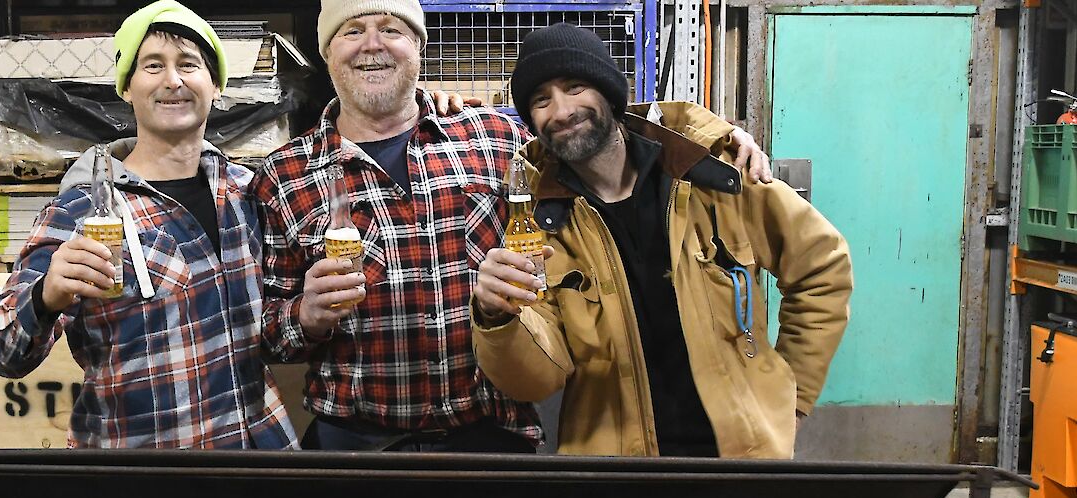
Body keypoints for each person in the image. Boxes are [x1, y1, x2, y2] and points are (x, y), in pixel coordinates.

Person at [255, 0, 775, 452]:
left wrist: (713, 138)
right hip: (355, 445)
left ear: (419, 49)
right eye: (352, 30)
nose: (373, 45)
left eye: (392, 29)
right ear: (327, 52)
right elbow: (274, 337)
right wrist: (307, 314)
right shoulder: (283, 176)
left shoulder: (498, 138)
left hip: (490, 437)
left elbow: (599, 127)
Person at [471, 23, 853, 459]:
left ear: (610, 93)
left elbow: (822, 265)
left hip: (742, 462)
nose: (560, 111)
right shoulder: (541, 223)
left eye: (574, 87)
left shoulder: (716, 176)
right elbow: (537, 380)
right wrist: (497, 318)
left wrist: (792, 399)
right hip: (617, 480)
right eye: (541, 100)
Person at [0, 0, 296, 449]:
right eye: (152, 65)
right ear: (126, 88)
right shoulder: (82, 211)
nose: (173, 79)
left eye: (189, 64)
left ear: (216, 86)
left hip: (257, 463)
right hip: (142, 480)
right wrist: (46, 295)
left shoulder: (247, 194)